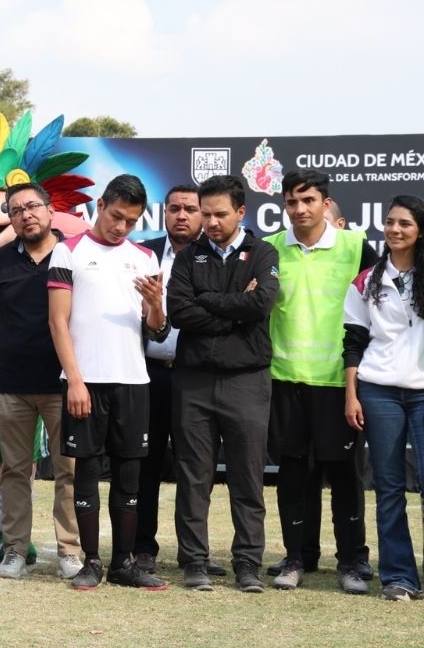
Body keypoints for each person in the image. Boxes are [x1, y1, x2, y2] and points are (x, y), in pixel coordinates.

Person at [48, 174, 170, 591]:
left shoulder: (145, 258)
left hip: (133, 381)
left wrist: (155, 304)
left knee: (130, 474)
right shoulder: (68, 251)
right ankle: (91, 562)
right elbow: (58, 321)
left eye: (131, 221)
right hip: (85, 382)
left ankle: (124, 563)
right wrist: (75, 381)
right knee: (85, 470)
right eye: (116, 216)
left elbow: (156, 329)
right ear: (100, 205)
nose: (122, 227)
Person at [264, 170, 377, 594]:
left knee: (345, 476)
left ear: (325, 204)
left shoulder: (355, 246)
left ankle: (351, 561)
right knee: (293, 475)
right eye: (292, 202)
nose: (299, 209)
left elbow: (377, 309)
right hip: (284, 380)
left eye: (308, 200)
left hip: (339, 383)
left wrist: (359, 378)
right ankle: (297, 557)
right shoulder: (270, 247)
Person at [166, 174, 280, 593]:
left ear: (241, 212)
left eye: (220, 214)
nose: (211, 222)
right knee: (193, 478)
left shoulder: (263, 252)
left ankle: (247, 564)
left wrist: (208, 301)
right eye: (206, 214)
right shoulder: (187, 257)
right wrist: (235, 310)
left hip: (247, 381)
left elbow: (261, 303)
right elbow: (179, 312)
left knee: (247, 478)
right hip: (193, 381)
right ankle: (194, 562)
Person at [0, 183, 81, 581]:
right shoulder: (0, 261)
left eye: (33, 206)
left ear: (50, 210)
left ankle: (70, 550)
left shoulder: (73, 254)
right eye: (16, 210)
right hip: (13, 383)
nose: (26, 214)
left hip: (63, 382)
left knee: (68, 470)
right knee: (15, 470)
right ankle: (15, 550)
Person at [343, 194, 424, 601]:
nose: (394, 229)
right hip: (378, 391)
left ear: (420, 230)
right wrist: (352, 394)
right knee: (389, 487)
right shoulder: (366, 280)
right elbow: (353, 342)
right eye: (390, 222)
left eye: (404, 223)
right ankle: (399, 577)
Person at [134, 185, 206, 575]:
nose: (181, 215)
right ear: (164, 213)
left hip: (196, 376)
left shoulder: (212, 257)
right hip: (148, 374)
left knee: (195, 467)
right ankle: (143, 547)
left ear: (203, 215)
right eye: (174, 208)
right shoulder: (142, 254)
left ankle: (194, 552)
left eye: (190, 209)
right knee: (144, 465)